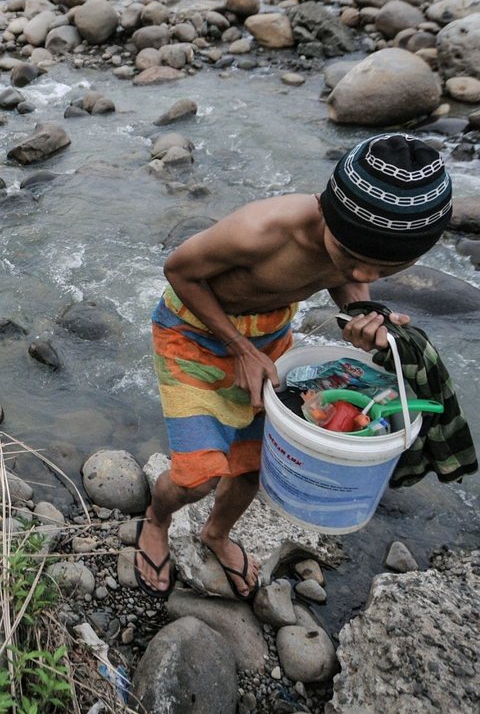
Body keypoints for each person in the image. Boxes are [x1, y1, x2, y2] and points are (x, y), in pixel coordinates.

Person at [134, 133, 453, 598]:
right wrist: (241, 350)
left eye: (383, 271)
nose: (363, 277)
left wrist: (361, 315)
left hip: (270, 336)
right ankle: (156, 519)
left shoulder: (354, 252)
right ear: (326, 211)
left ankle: (216, 535)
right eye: (353, 259)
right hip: (193, 336)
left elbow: (349, 282)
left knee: (251, 464)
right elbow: (179, 272)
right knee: (197, 476)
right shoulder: (261, 231)